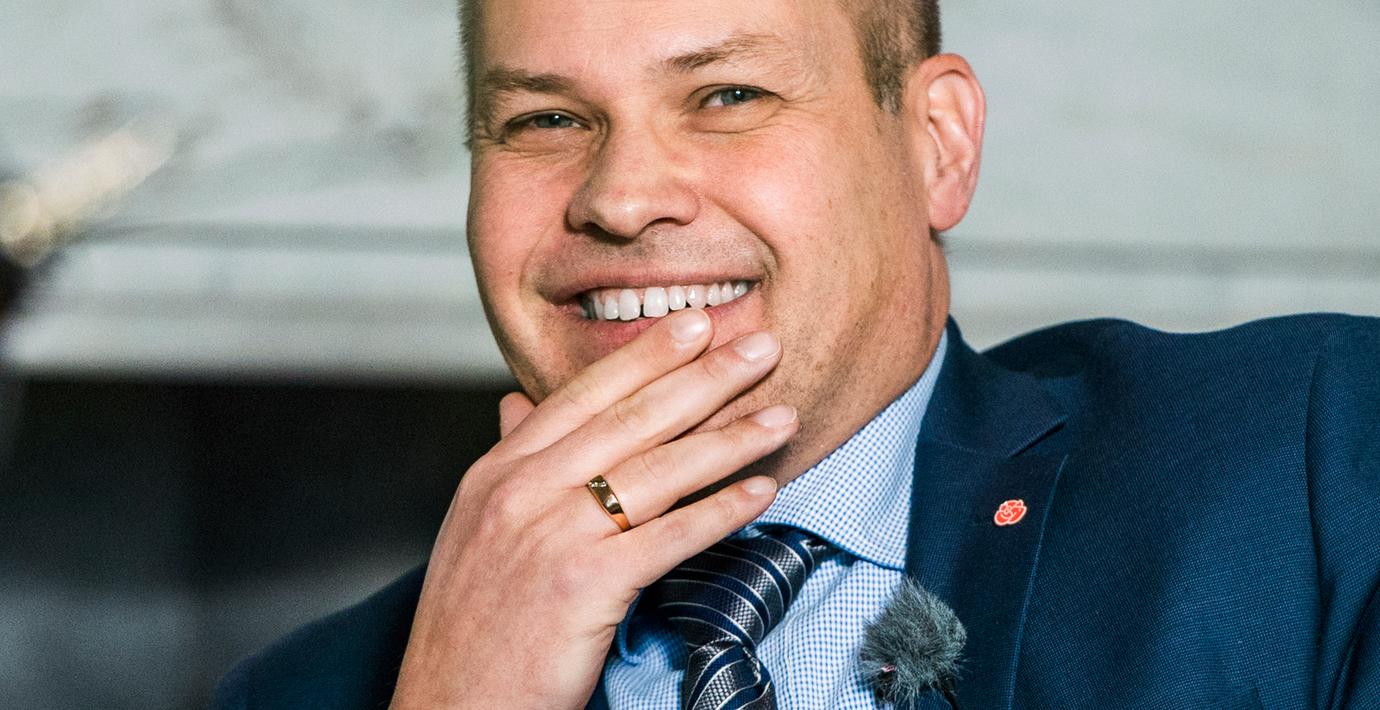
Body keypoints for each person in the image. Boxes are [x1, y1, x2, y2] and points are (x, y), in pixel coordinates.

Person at [212, 0, 1380, 707]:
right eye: (546, 120)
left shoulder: (1311, 465)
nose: (621, 197)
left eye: (727, 94)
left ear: (937, 145)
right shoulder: (316, 689)